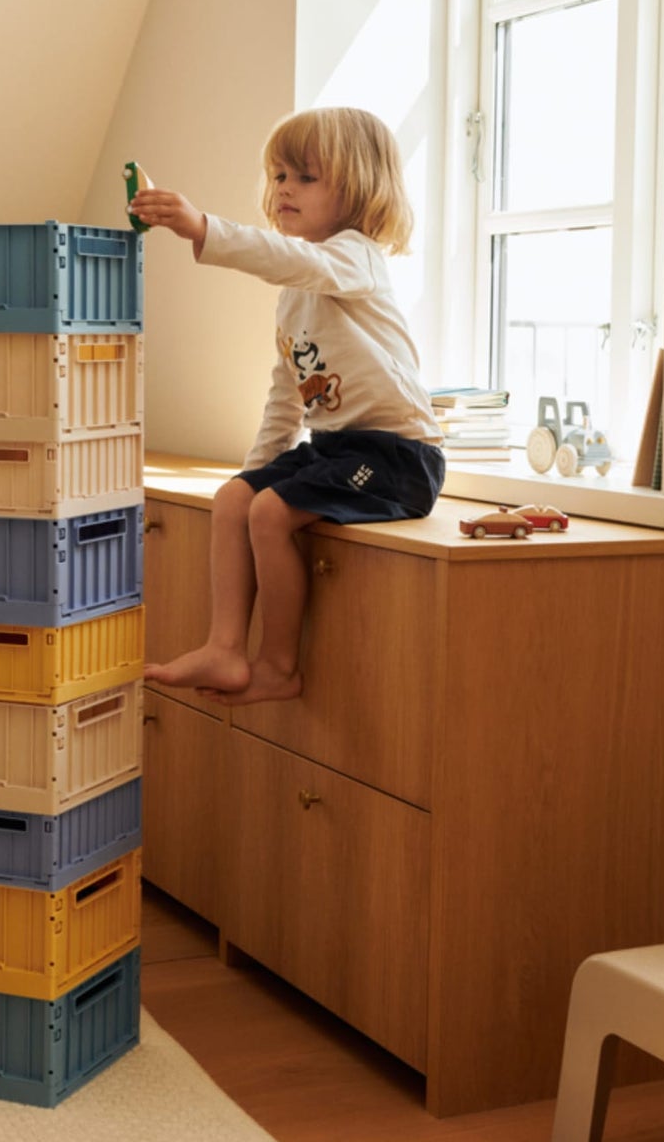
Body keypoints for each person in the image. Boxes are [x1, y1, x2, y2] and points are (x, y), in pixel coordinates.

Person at [131, 106, 444, 706]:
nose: (283, 189)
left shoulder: (356, 257)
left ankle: (278, 665)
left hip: (398, 456)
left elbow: (294, 259)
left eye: (304, 177)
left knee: (272, 514)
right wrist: (254, 473)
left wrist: (204, 229)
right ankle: (225, 647)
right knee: (235, 500)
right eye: (278, 176)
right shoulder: (296, 294)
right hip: (334, 448)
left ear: (356, 189)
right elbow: (286, 394)